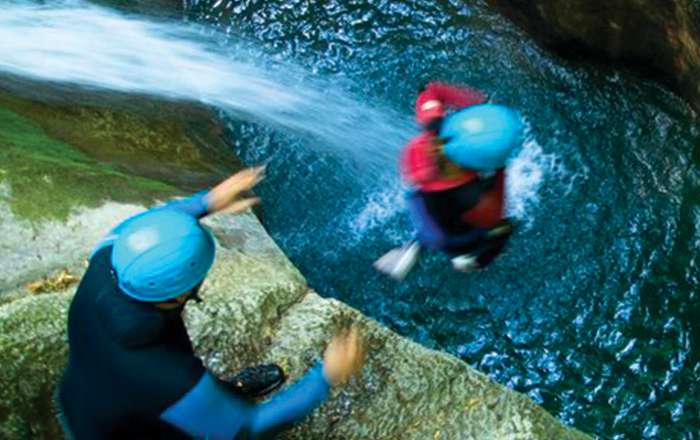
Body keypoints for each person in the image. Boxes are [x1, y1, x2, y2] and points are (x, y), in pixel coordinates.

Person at [57, 167, 366, 440]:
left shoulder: (106, 260)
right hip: (124, 429)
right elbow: (249, 428)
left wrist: (207, 202)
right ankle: (210, 405)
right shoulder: (170, 378)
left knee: (183, 396)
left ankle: (217, 398)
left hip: (82, 399)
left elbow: (142, 225)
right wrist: (325, 376)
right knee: (208, 420)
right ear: (178, 295)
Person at [375, 82, 513, 280]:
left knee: (433, 219)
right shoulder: (472, 190)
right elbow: (495, 211)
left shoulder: (428, 139)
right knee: (502, 229)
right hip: (453, 236)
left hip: (424, 207)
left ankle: (416, 245)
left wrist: (471, 102)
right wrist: (501, 167)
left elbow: (429, 91)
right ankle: (472, 262)